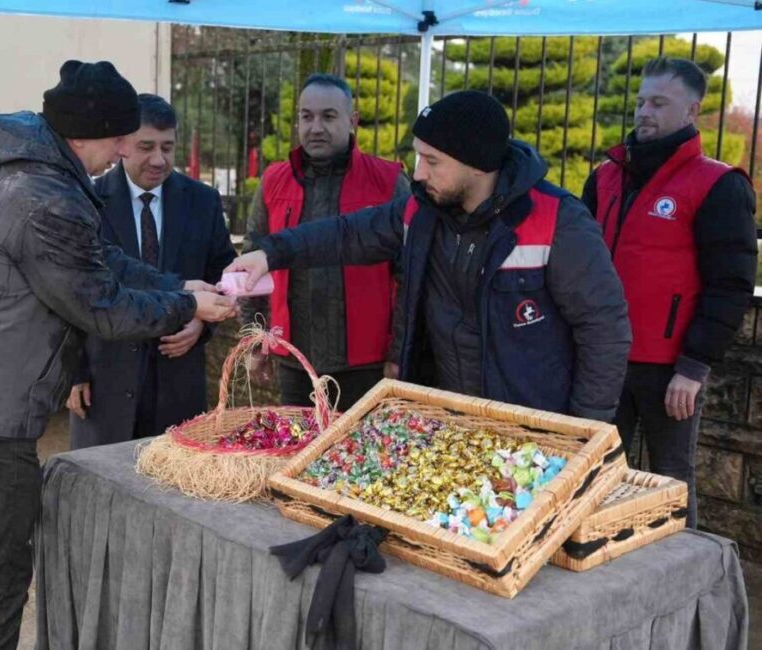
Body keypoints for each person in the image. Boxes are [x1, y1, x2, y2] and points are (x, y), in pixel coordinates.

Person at [0, 61, 237, 649]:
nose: (127, 151)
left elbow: (98, 259)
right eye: (122, 138)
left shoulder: (27, 163)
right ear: (88, 133)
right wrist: (183, 310)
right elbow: (99, 306)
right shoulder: (42, 196)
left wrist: (179, 288)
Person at [227, 90, 632, 422]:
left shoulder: (557, 220)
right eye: (420, 156)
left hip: (530, 425)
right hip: (445, 415)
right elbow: (347, 233)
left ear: (477, 164)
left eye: (432, 161)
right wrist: (271, 252)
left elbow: (604, 327)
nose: (419, 173)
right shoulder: (421, 211)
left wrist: (586, 427)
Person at [581, 57, 758, 527]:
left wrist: (694, 366)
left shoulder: (717, 185)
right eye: (641, 101)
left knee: (670, 479)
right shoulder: (605, 177)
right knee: (594, 476)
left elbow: (730, 285)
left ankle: (687, 588)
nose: (644, 111)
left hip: (669, 369)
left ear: (691, 110)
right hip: (602, 358)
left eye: (659, 102)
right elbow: (576, 266)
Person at [66, 94, 236, 448]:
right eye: (146, 147)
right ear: (123, 144)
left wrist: (201, 322)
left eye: (167, 147)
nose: (159, 160)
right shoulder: (86, 201)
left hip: (177, 384)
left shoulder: (203, 202)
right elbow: (66, 291)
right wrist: (72, 371)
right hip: (105, 384)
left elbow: (222, 276)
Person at [241, 73, 409, 411]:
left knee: (359, 460)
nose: (316, 127)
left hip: (367, 365)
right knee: (298, 457)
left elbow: (410, 275)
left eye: (328, 116)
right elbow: (251, 263)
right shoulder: (274, 180)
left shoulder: (389, 181)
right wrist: (253, 340)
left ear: (353, 121)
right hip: (295, 360)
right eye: (307, 116)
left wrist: (399, 353)